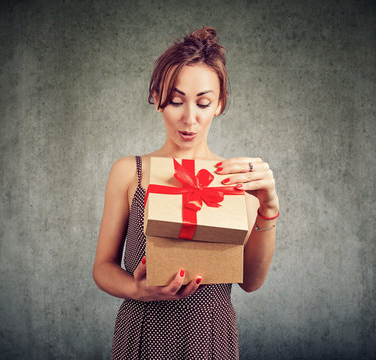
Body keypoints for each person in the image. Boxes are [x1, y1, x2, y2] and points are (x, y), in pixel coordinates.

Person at [93, 26, 279, 359]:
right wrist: (137, 289)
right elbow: (103, 267)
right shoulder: (130, 172)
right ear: (157, 100)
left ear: (219, 105)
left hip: (210, 336)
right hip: (143, 331)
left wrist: (268, 207)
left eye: (203, 103)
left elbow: (250, 282)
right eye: (176, 101)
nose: (189, 118)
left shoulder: (237, 179)